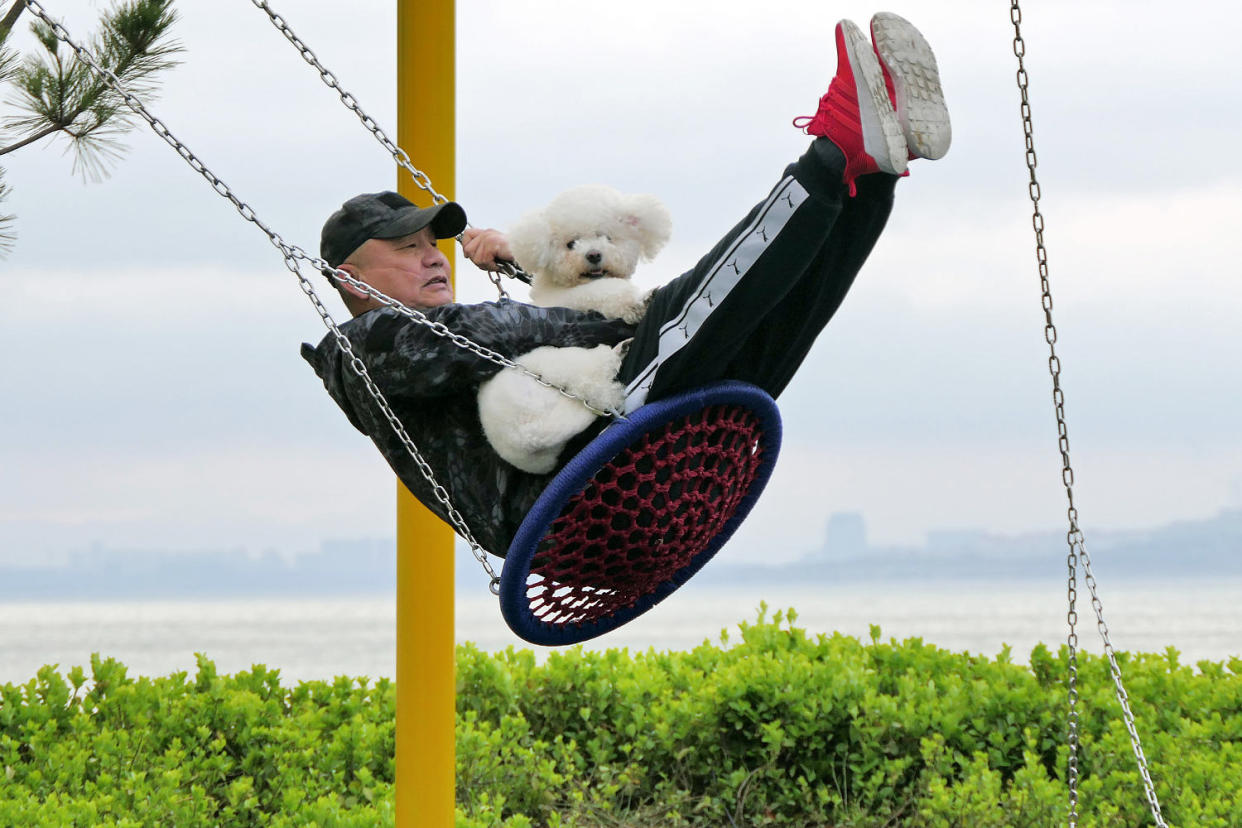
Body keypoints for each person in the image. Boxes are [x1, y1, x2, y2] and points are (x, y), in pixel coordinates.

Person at [301, 13, 950, 558]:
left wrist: (535, 271)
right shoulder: (367, 345)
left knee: (767, 323)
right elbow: (489, 334)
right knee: (677, 313)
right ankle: (838, 134)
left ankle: (868, 172)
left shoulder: (410, 342)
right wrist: (626, 311)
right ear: (351, 279)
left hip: (624, 481)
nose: (433, 258)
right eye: (407, 248)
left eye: (431, 243)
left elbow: (509, 335)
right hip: (577, 489)